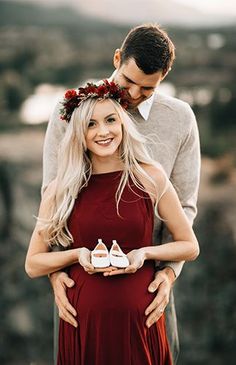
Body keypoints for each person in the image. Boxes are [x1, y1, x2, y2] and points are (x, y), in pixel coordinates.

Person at [42, 24, 201, 363]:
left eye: (148, 88)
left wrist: (169, 273)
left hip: (150, 293)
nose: (133, 93)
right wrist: (55, 273)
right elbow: (52, 198)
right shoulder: (72, 112)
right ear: (117, 58)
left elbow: (185, 206)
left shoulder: (180, 119)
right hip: (79, 294)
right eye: (128, 81)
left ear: (164, 76)